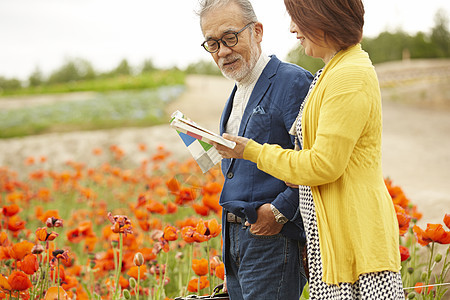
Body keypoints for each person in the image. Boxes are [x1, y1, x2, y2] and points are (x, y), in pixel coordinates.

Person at [214, 0, 406, 299]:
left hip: (354, 235)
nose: (292, 29)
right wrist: (298, 172)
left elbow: (323, 164)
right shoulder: (334, 71)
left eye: (296, 19)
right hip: (336, 236)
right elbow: (316, 158)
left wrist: (253, 151)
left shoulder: (349, 76)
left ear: (321, 17)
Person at [197, 0, 313, 299]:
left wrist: (278, 212)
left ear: (258, 31)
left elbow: (313, 160)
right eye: (212, 43)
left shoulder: (292, 81)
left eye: (230, 37)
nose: (222, 51)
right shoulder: (238, 89)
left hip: (274, 238)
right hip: (235, 237)